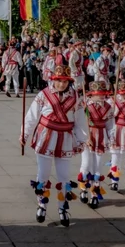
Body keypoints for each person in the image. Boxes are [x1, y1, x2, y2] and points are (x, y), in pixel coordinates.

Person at [21, 65, 88, 227]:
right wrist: (24, 133)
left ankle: (62, 208)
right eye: (59, 81)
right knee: (43, 174)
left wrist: (82, 139)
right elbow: (31, 116)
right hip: (46, 137)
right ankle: (42, 205)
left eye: (65, 81)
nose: (62, 84)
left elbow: (79, 121)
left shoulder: (75, 97)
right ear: (53, 80)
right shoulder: (43, 95)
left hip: (65, 138)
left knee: (64, 177)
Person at [76, 81, 114, 209]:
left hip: (101, 137)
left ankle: (94, 194)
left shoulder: (109, 107)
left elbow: (110, 125)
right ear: (92, 94)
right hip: (88, 136)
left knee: (97, 167)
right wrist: (85, 137)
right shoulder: (85, 105)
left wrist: (112, 138)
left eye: (104, 94)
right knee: (86, 164)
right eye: (99, 94)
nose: (102, 96)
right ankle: (83, 189)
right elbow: (80, 124)